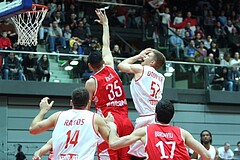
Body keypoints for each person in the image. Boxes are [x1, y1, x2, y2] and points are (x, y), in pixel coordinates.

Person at [85, 9, 134, 160]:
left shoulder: (91, 82)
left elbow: (85, 109)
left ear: (89, 66)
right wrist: (105, 24)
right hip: (126, 121)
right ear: (102, 61)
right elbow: (106, 44)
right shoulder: (110, 66)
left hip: (109, 122)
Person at [107, 99, 211, 160]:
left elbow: (113, 144)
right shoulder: (182, 133)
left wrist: (112, 125)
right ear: (172, 116)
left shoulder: (145, 131)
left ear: (155, 115)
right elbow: (206, 156)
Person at [29, 88, 111, 160]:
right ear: (88, 103)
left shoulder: (58, 116)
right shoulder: (95, 118)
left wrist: (43, 111)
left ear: (71, 102)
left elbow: (33, 129)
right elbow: (112, 142)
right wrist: (109, 124)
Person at [117, 47, 165, 159]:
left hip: (146, 117)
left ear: (152, 62)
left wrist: (138, 56)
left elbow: (121, 65)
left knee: (137, 154)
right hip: (156, 117)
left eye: (148, 56)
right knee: (148, 152)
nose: (144, 56)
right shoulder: (161, 77)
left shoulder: (141, 69)